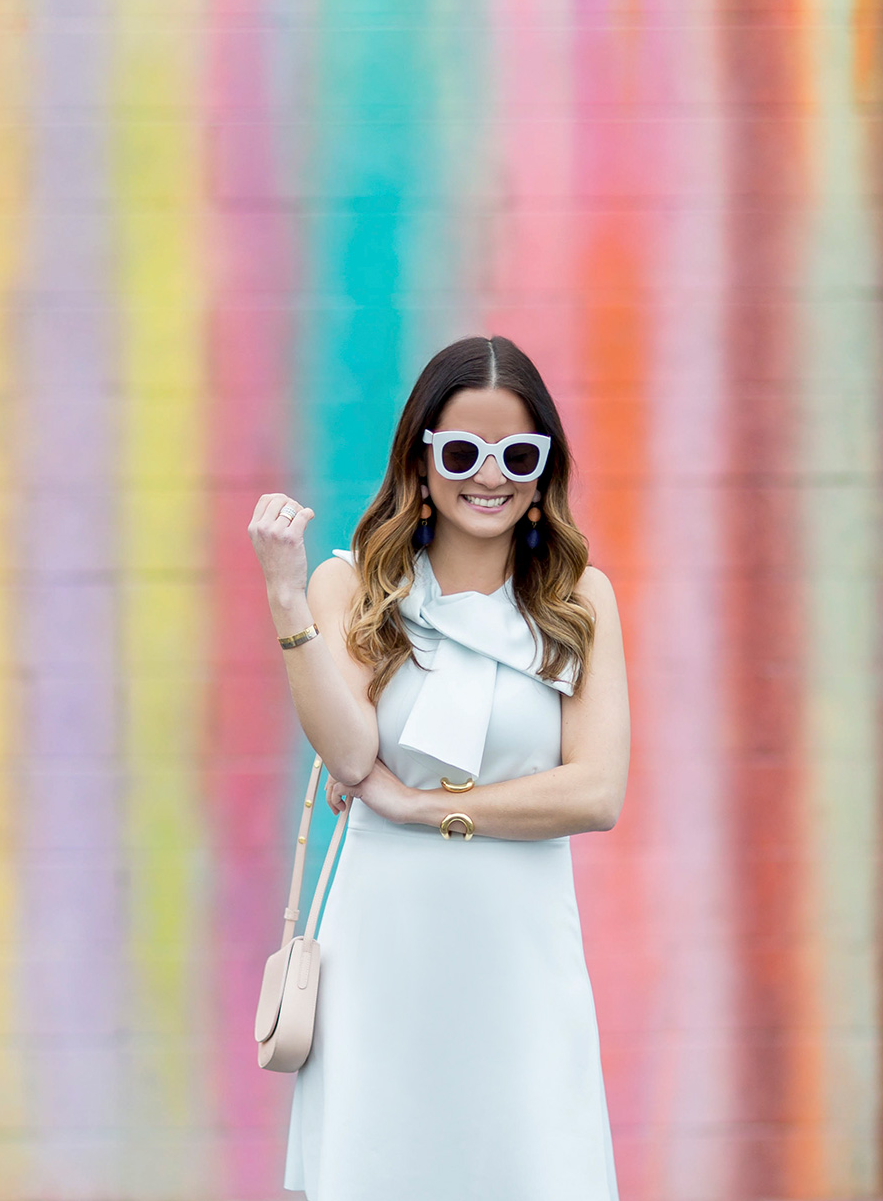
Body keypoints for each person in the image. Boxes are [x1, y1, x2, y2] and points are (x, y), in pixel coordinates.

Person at [248, 334, 630, 1201]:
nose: (488, 476)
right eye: (461, 452)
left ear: (542, 471)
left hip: (521, 949)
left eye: (517, 455)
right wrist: (284, 595)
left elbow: (597, 790)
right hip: (383, 947)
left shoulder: (579, 600)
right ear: (421, 463)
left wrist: (428, 809)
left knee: (531, 1161)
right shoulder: (349, 588)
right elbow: (348, 754)